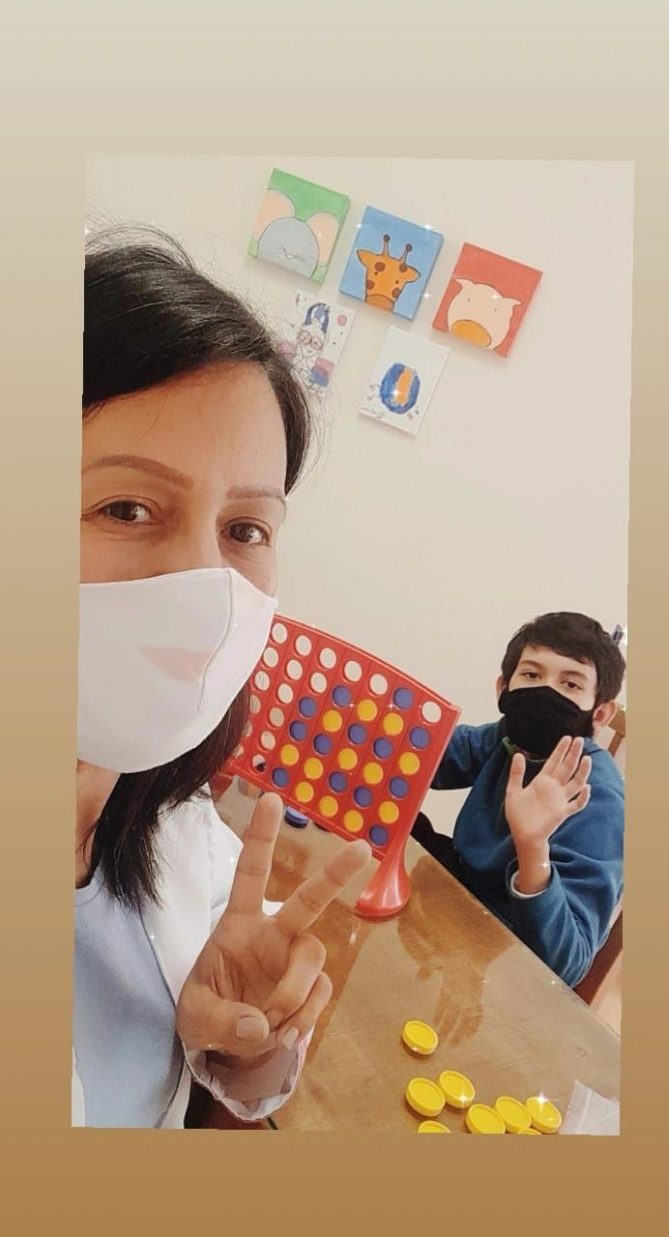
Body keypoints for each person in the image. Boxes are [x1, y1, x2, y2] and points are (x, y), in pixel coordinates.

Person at [75, 229, 371, 1128]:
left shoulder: (173, 822)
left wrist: (244, 1047)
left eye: (246, 530)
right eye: (128, 507)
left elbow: (216, 1076)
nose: (204, 585)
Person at [413, 612, 625, 987]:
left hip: (509, 958)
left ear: (600, 713)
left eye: (571, 684)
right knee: (407, 828)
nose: (546, 692)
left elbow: (567, 964)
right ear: (503, 689)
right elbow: (428, 755)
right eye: (531, 675)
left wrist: (532, 846)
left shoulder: (600, 798)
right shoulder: (507, 738)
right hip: (455, 902)